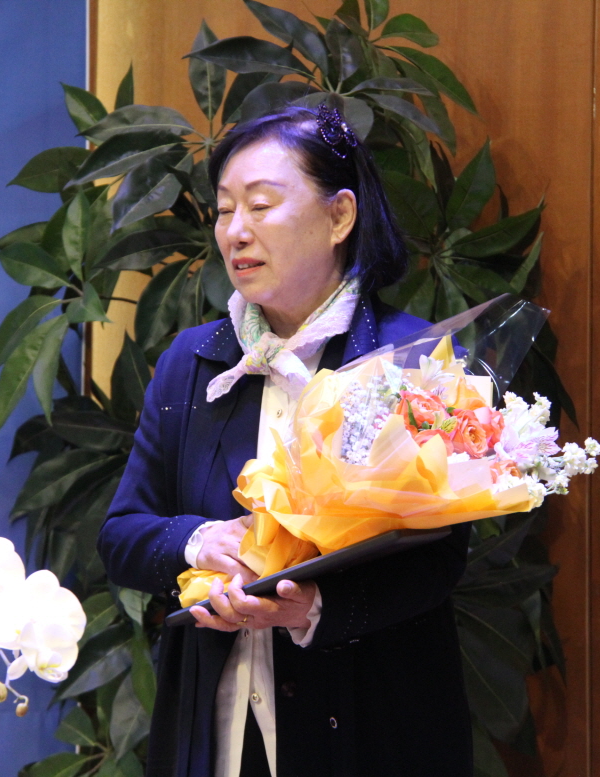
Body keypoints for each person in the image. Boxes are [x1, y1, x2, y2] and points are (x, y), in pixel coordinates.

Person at [97, 104, 473, 777]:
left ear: (340, 216)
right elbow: (121, 534)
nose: (235, 231)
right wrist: (199, 541)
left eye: (261, 205)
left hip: (371, 718)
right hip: (214, 719)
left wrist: (316, 606)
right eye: (224, 210)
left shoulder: (415, 361)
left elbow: (440, 559)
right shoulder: (193, 361)